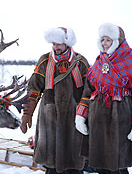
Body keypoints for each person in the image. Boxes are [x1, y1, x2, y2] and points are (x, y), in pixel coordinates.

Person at [75, 22, 132, 174]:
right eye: (102, 40)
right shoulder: (98, 62)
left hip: (120, 120)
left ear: (118, 41)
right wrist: (81, 114)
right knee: (100, 163)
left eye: (108, 40)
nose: (104, 43)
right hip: (97, 121)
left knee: (118, 164)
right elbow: (88, 90)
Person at [20, 27, 90, 174]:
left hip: (74, 117)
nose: (55, 47)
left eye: (58, 44)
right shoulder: (45, 60)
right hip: (49, 117)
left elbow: (89, 90)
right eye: (53, 44)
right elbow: (34, 88)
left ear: (67, 43)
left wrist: (87, 115)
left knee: (74, 162)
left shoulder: (81, 62)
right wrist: (28, 113)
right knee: (51, 164)